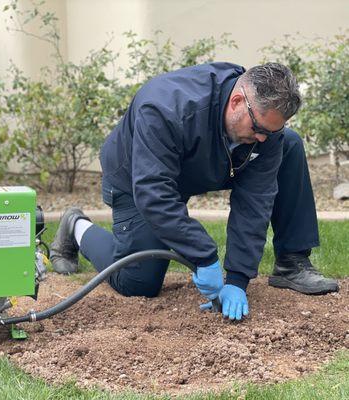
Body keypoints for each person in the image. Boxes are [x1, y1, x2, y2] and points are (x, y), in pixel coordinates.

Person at [49, 62, 339, 321]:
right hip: (137, 175)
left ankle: (292, 262)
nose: (263, 137)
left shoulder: (265, 128)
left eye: (270, 131)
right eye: (259, 128)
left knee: (289, 144)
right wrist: (204, 256)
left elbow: (255, 201)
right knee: (138, 283)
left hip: (205, 162)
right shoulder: (164, 109)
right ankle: (75, 226)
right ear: (237, 101)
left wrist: (237, 279)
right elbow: (153, 192)